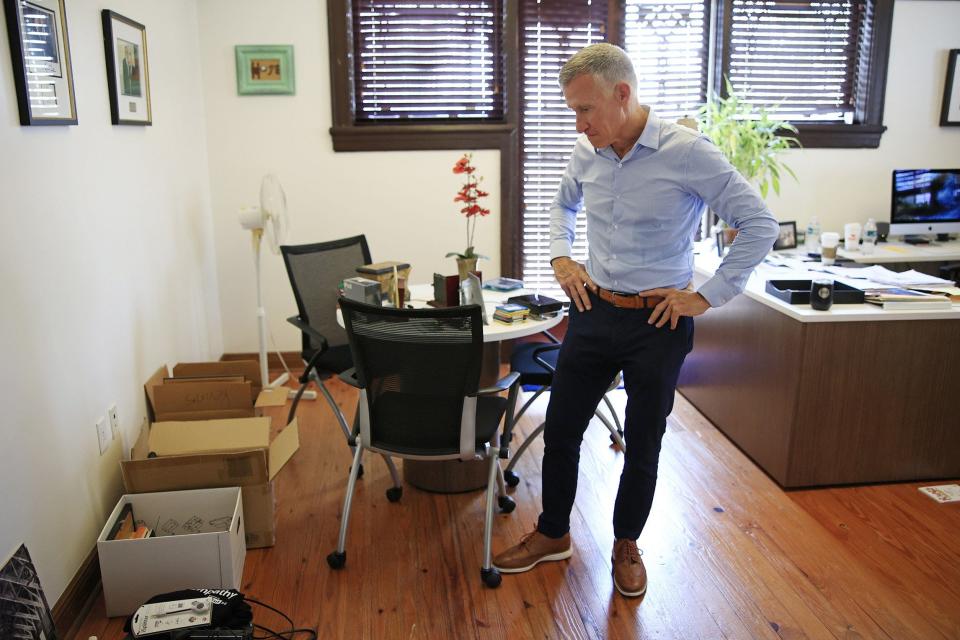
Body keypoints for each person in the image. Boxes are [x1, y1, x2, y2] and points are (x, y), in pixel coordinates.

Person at [492, 43, 779, 598]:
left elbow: (759, 223)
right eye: (573, 110)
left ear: (622, 95)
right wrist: (560, 255)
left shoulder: (688, 152)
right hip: (595, 312)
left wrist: (708, 295)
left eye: (586, 109)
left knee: (643, 440)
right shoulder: (587, 150)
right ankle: (553, 533)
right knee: (563, 431)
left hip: (660, 323)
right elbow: (562, 206)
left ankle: (627, 543)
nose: (580, 123)